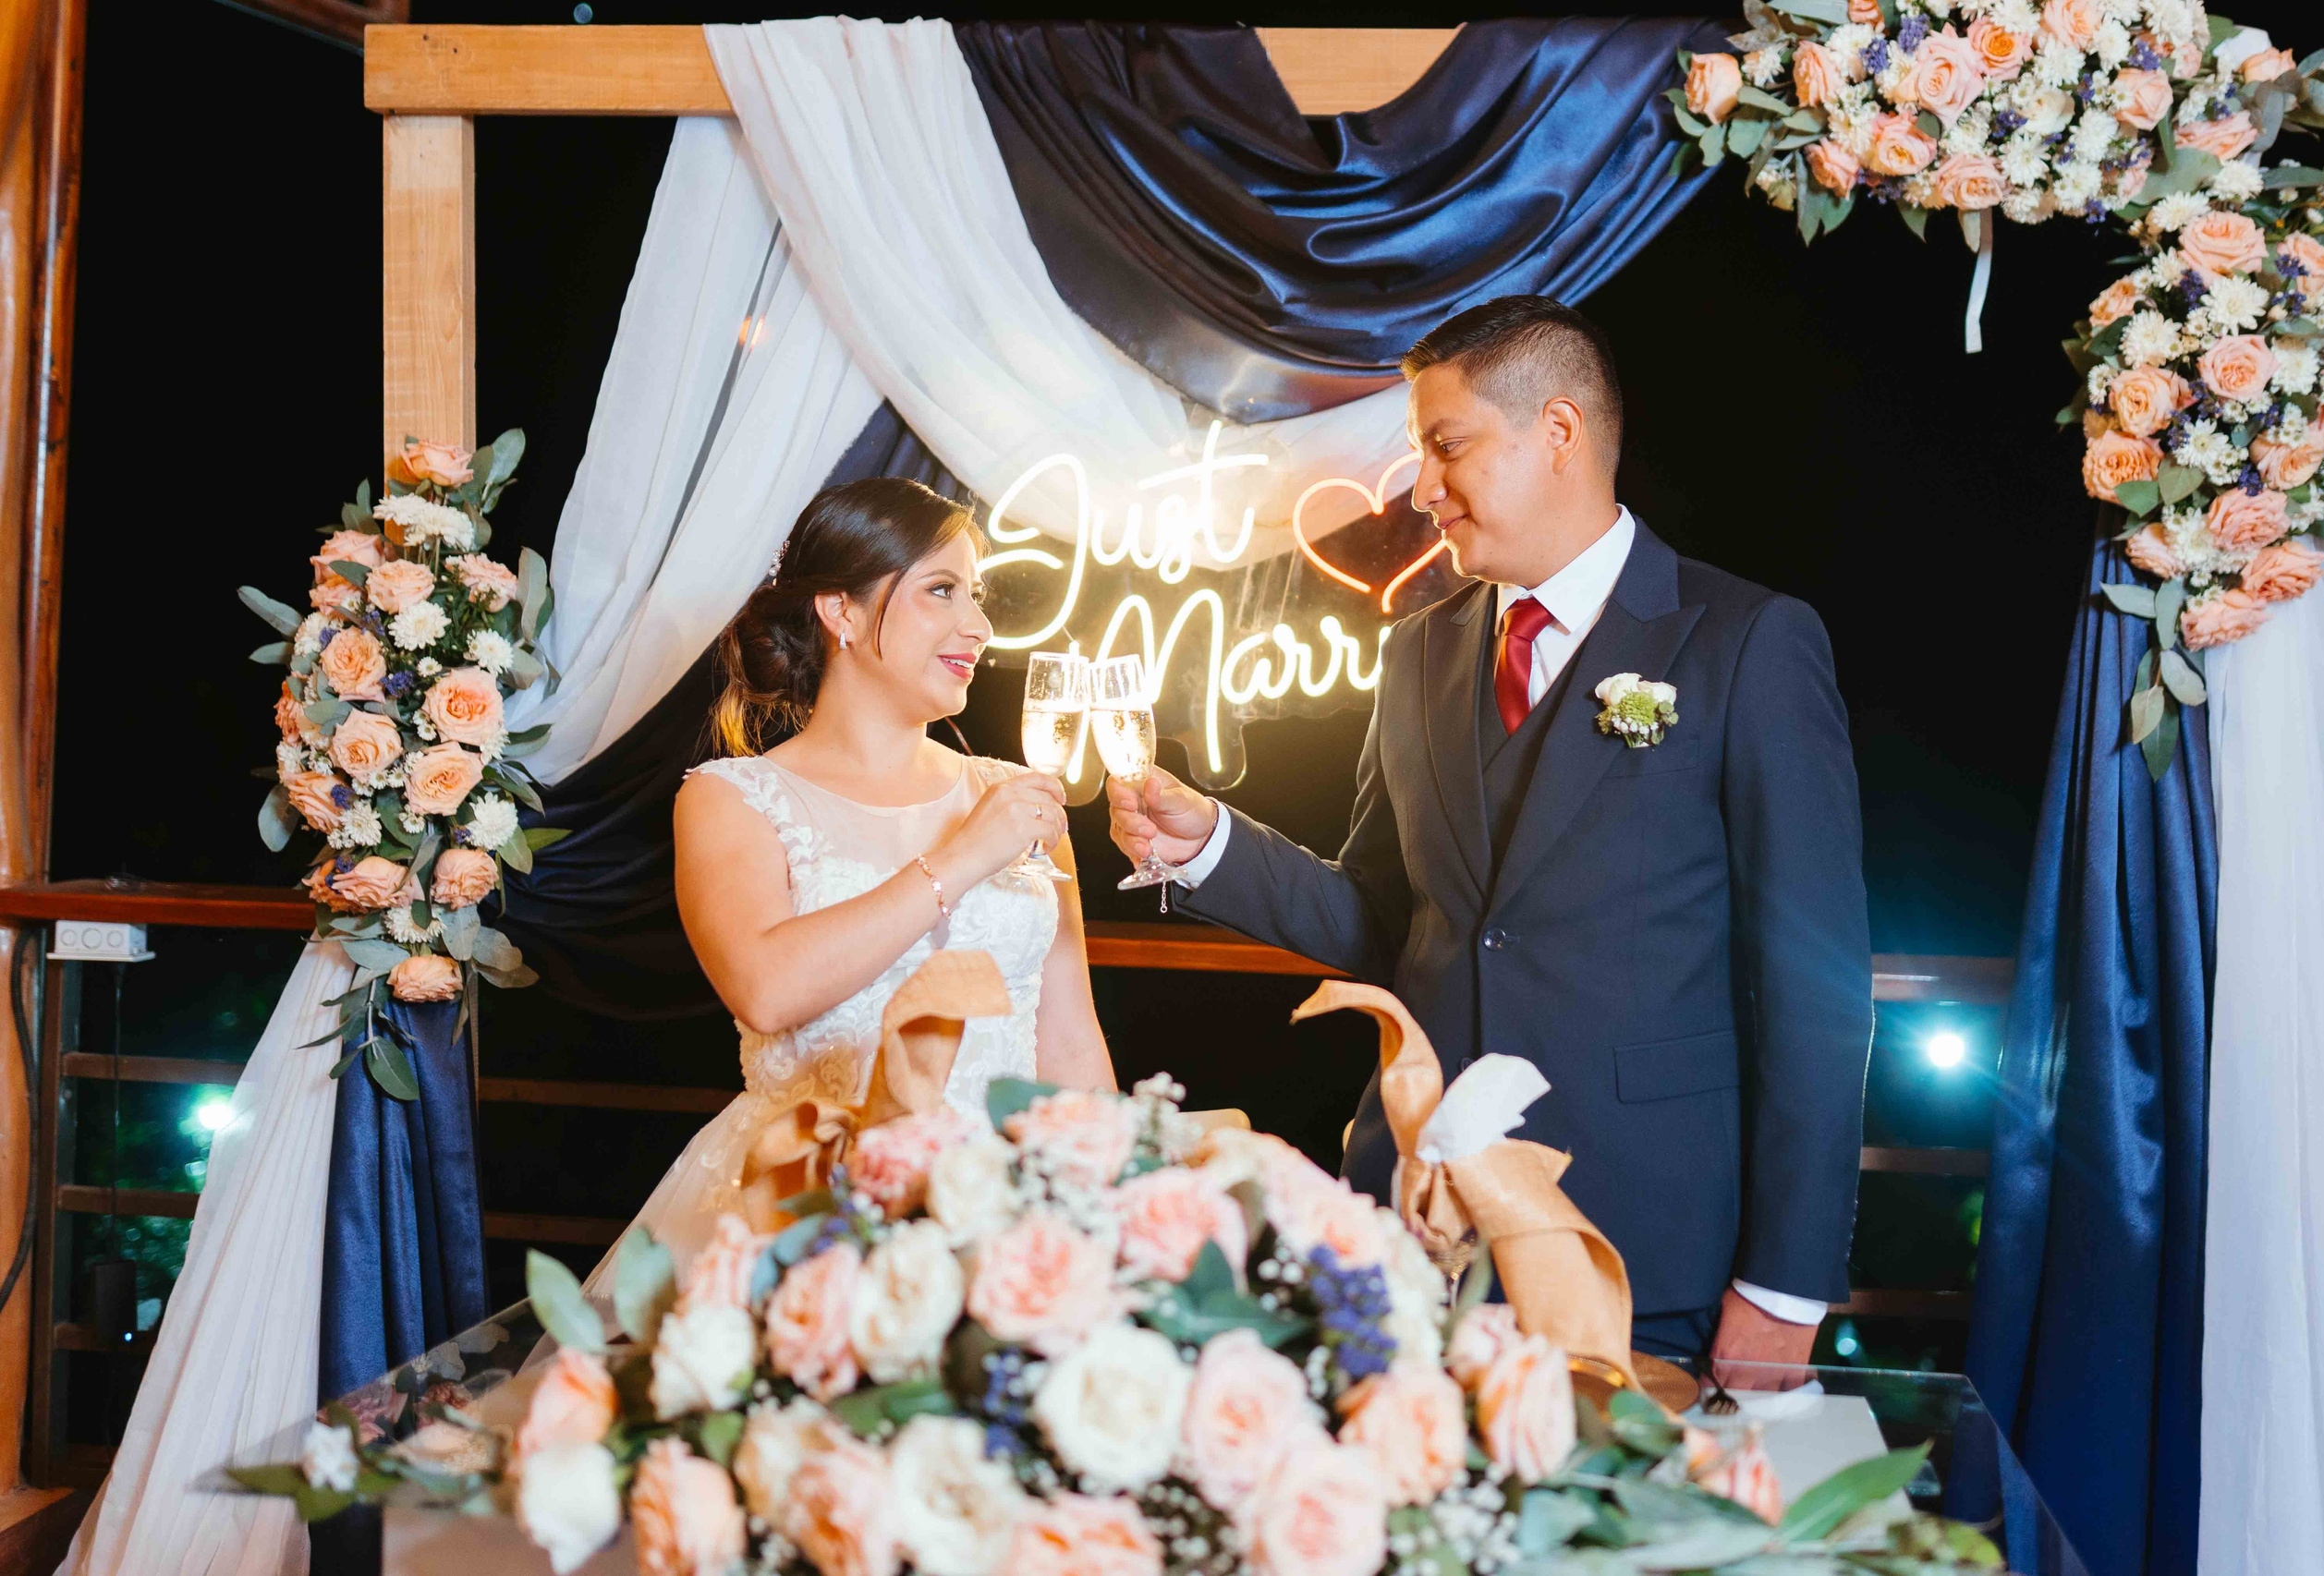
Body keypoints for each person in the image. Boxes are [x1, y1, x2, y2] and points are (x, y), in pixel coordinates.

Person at [1109, 297, 1872, 1376]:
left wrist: (1785, 1284)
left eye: (1446, 445)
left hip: (1640, 1247)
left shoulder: (1746, 643)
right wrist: (1206, 847)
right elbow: (1387, 920)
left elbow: (1817, 994)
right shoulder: (1416, 652)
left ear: (1556, 431)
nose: (1421, 487)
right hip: (1412, 1232)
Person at [613, 477, 1114, 1274]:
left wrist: (1110, 1216)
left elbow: (1071, 1044)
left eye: (977, 595)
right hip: (809, 1204)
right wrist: (964, 857)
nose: (979, 626)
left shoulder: (1017, 800)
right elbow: (765, 988)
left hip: (1004, 1210)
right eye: (941, 590)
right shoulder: (731, 798)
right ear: (839, 611)